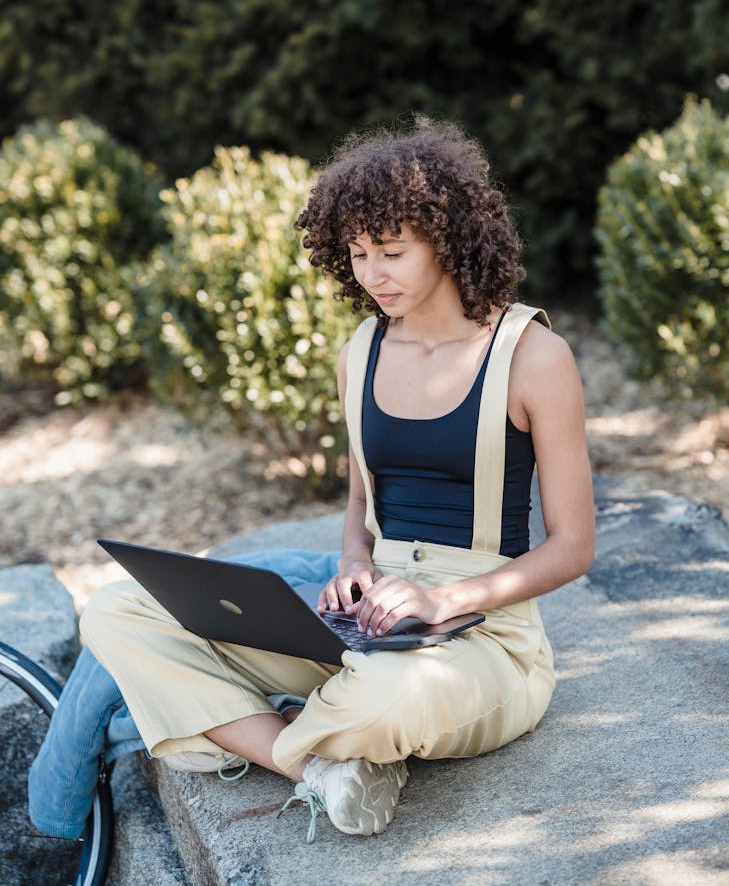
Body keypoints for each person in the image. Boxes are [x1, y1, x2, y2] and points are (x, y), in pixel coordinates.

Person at [79, 116, 595, 842]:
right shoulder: (362, 350)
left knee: (386, 695)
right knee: (115, 611)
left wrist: (443, 597)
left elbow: (573, 546)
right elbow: (361, 501)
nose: (372, 274)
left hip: (485, 645)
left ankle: (259, 726)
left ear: (445, 239)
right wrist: (354, 565)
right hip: (368, 628)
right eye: (356, 253)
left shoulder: (535, 356)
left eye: (392, 251)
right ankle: (318, 767)